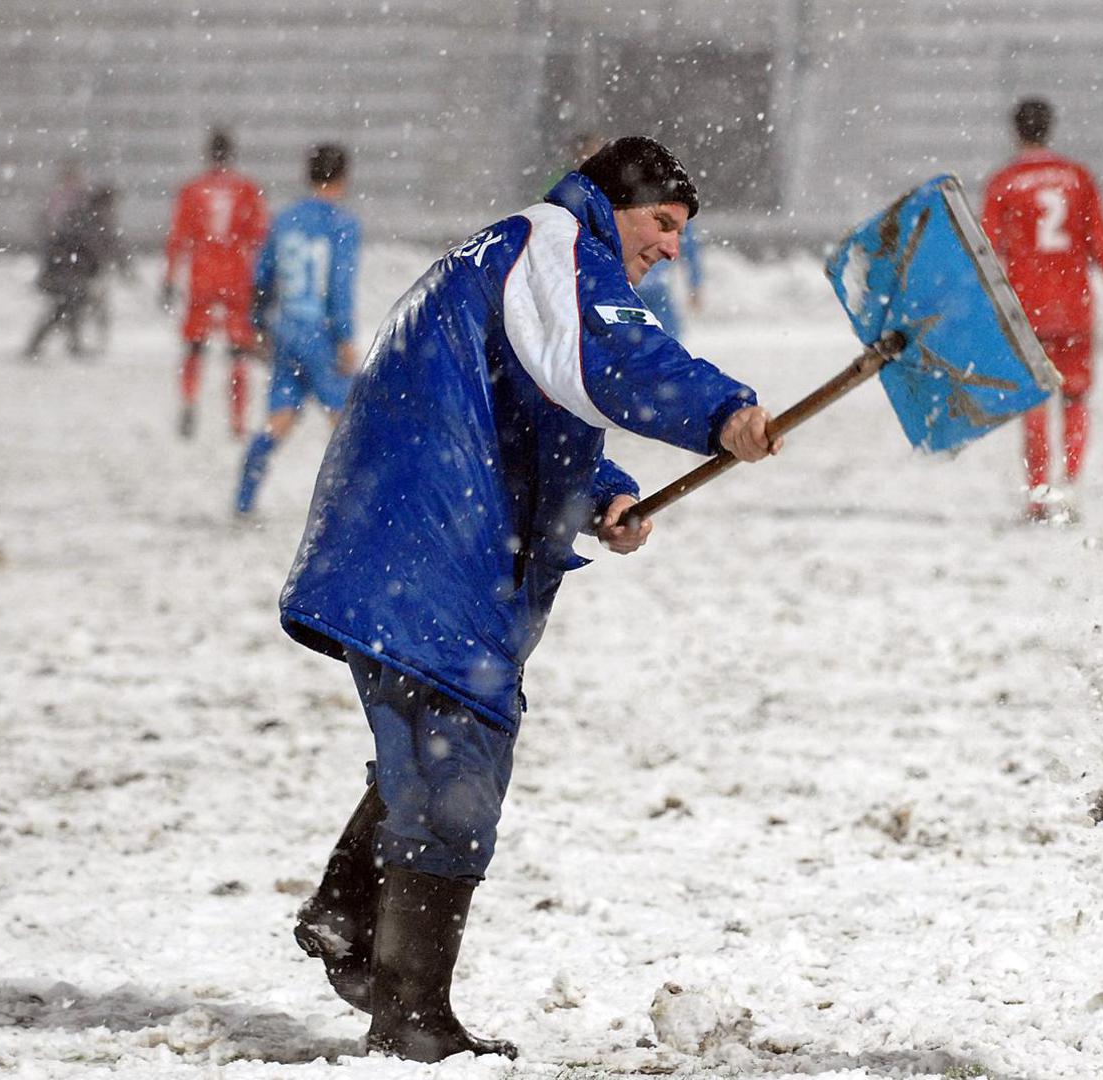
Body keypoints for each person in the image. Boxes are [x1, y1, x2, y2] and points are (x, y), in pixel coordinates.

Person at [279, 135, 780, 1061]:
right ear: (608, 200)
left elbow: (534, 397)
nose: (671, 245)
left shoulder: (519, 249)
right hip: (431, 545)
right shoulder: (553, 241)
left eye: (682, 232)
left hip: (410, 536)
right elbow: (608, 358)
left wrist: (603, 492)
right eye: (662, 223)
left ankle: (349, 915)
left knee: (441, 736)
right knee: (456, 764)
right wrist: (722, 413)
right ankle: (413, 1019)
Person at [981, 97, 1103, 523]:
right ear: (1050, 128)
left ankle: (1038, 494)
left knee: (1034, 401)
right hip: (1073, 305)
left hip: (1026, 308)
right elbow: (1100, 244)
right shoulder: (1077, 178)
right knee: (1075, 396)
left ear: (1017, 131)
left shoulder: (1005, 183)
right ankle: (1068, 486)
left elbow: (987, 249)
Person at [233, 143, 360, 516]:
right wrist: (344, 336)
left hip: (286, 330)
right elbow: (339, 285)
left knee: (280, 417)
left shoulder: (285, 220)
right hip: (320, 333)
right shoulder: (342, 224)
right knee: (348, 420)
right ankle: (353, 508)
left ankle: (244, 496)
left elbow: (262, 276)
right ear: (342, 178)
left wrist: (258, 324)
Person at [164, 128, 268, 438]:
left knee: (195, 346)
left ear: (209, 154)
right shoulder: (246, 190)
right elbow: (259, 238)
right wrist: (262, 281)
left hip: (203, 276)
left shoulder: (193, 190)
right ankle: (237, 420)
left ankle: (189, 399)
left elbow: (179, 238)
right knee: (238, 350)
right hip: (236, 277)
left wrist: (170, 277)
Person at [24, 184, 126, 361]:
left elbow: (106, 248)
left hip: (68, 272)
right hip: (65, 272)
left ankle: (44, 345)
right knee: (69, 306)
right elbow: (96, 248)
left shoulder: (88, 218)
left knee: (65, 308)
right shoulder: (89, 221)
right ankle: (69, 345)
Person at [634, 219, 702, 338]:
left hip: (634, 284)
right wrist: (695, 284)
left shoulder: (625, 209)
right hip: (655, 285)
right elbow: (690, 250)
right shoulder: (675, 211)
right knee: (668, 336)